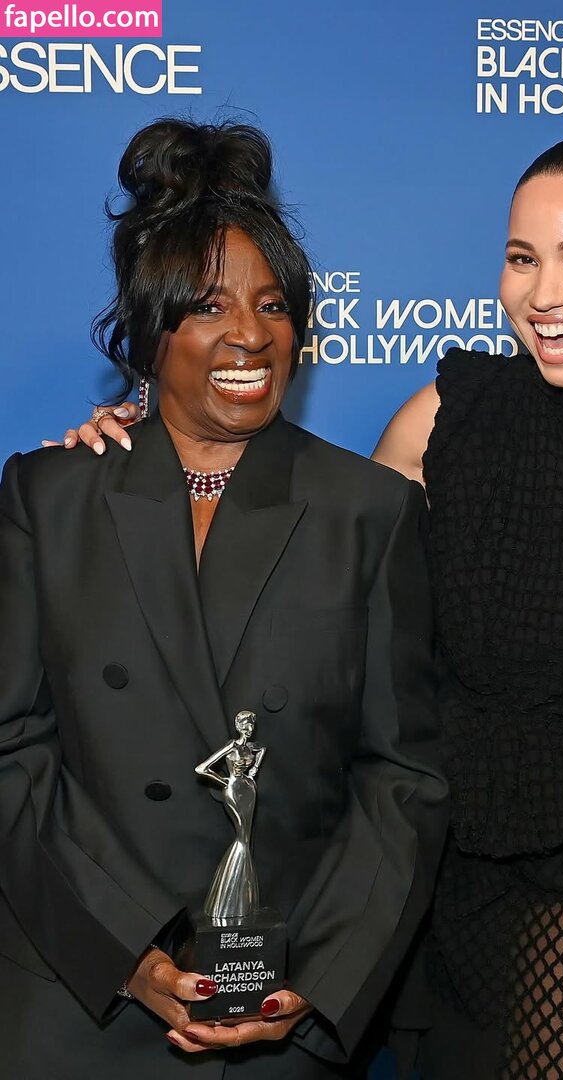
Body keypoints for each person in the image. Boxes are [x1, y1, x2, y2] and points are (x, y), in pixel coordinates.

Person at [58, 133, 563, 1078]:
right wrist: (156, 439)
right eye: (522, 258)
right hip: (427, 849)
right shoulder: (447, 416)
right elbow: (306, 557)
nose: (546, 294)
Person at [0, 118, 448, 1080]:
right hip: (78, 988)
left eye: (273, 304)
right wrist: (127, 952)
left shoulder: (368, 511)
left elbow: (402, 777)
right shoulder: (51, 497)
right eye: (209, 305)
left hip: (278, 1005)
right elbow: (12, 750)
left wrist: (314, 981)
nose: (251, 333)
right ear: (151, 330)